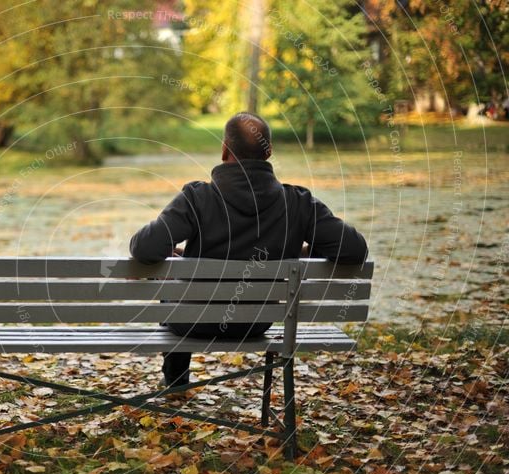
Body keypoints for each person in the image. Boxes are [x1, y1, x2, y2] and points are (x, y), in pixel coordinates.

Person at [129, 112, 368, 387]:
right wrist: (297, 253)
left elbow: (143, 248)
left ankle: (176, 380)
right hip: (255, 323)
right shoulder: (298, 203)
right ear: (268, 153)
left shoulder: (198, 198)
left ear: (224, 151)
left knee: (168, 280)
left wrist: (180, 261)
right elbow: (355, 249)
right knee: (175, 279)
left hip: (193, 322)